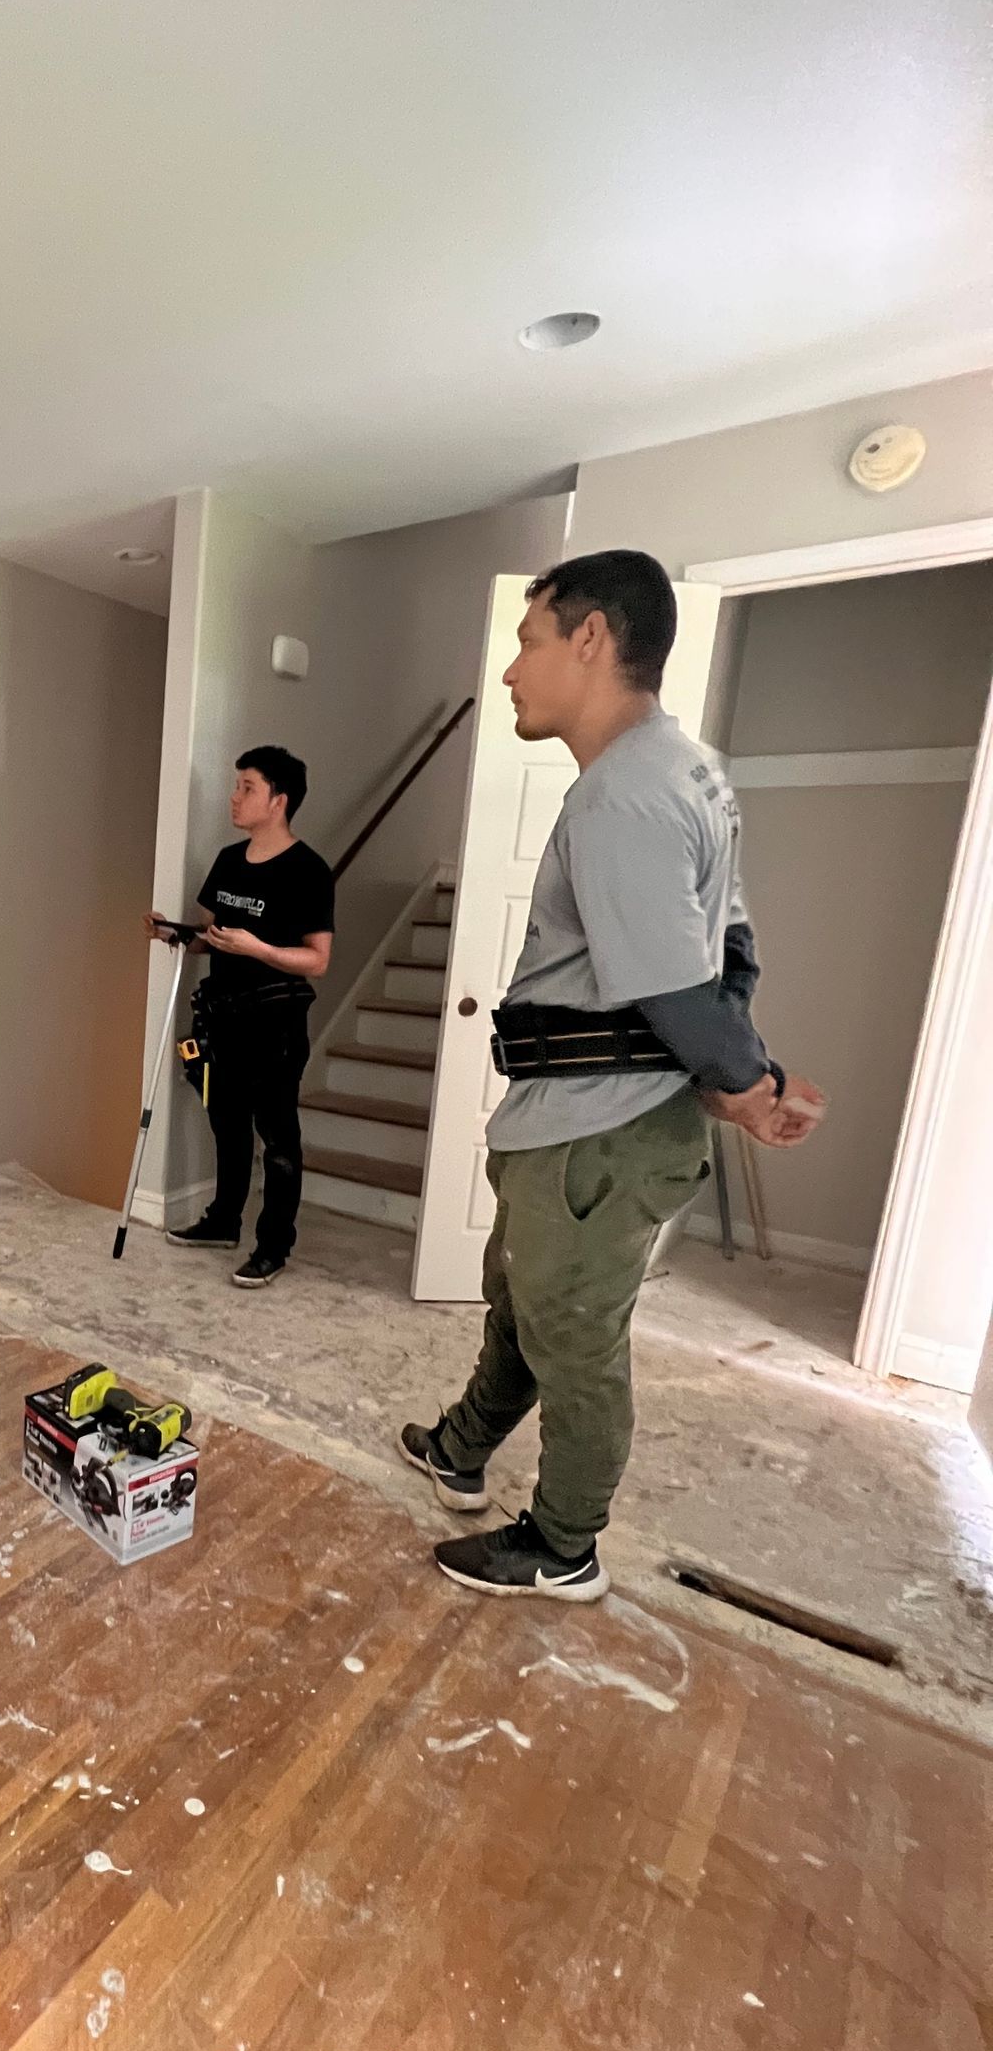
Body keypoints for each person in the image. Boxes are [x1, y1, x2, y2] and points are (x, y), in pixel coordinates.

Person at [397, 550, 825, 1599]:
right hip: (576, 1121)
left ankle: (562, 1544)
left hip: (602, 1126)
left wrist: (745, 1084)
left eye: (527, 639)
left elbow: (681, 990)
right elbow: (731, 945)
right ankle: (459, 1450)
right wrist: (747, 1069)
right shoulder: (689, 767)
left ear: (590, 637)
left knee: (574, 1336)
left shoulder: (621, 796)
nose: (509, 671)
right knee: (523, 1302)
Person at [153, 745, 334, 1290]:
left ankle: (273, 1245)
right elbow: (212, 938)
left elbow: (319, 961)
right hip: (222, 1017)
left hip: (274, 1024)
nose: (235, 798)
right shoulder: (229, 861)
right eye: (236, 786)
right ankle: (222, 1221)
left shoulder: (308, 871)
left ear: (278, 801)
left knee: (277, 1137)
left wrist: (259, 948)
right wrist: (176, 933)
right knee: (225, 1124)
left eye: (247, 787)